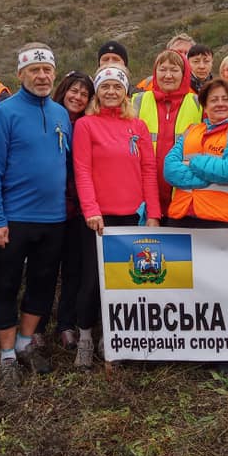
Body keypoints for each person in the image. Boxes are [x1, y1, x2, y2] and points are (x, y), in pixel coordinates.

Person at [0, 43, 70, 386]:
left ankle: (24, 342)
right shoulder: (5, 112)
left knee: (43, 285)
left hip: (54, 219)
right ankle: (5, 355)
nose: (42, 76)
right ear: (20, 74)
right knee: (7, 286)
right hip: (14, 218)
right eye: (35, 70)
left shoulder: (61, 113)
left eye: (47, 70)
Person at [73, 65, 161, 368]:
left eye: (117, 86)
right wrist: (91, 210)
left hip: (133, 217)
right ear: (98, 91)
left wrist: (153, 213)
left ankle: (114, 335)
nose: (111, 91)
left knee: (126, 282)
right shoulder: (86, 125)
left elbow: (148, 170)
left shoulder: (137, 126)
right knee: (92, 280)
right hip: (98, 219)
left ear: (126, 92)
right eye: (106, 86)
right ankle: (85, 336)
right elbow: (82, 170)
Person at [165, 78, 228, 228]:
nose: (220, 104)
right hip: (181, 216)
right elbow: (170, 169)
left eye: (225, 99)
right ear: (205, 105)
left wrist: (193, 162)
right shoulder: (191, 130)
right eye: (214, 100)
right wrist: (208, 178)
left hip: (222, 220)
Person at [50, 71, 96, 350]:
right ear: (63, 90)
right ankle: (37, 326)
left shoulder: (88, 125)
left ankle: (66, 324)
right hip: (48, 208)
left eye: (84, 94)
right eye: (74, 91)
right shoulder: (49, 117)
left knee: (73, 270)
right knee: (44, 270)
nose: (77, 97)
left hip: (78, 208)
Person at [132, 49, 202, 219]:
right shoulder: (137, 100)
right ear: (155, 74)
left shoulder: (198, 103)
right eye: (162, 69)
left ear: (184, 74)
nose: (168, 75)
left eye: (174, 70)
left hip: (183, 195)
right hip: (142, 195)